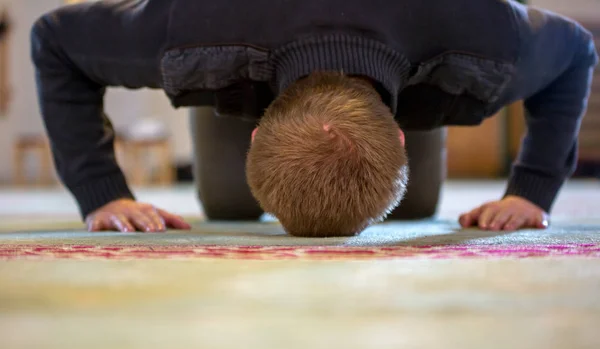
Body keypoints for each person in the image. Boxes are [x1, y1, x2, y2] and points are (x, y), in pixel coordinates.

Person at [30, 0, 598, 237]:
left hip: (421, 63)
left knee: (417, 207)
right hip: (241, 44)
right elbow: (55, 41)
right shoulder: (189, 29)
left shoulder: (486, 35)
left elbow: (576, 53)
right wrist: (103, 192)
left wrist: (532, 191)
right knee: (228, 204)